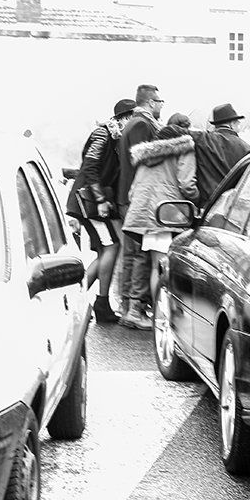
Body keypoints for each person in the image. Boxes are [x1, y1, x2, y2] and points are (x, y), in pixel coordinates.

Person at [123, 113, 198, 322]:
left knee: (151, 262)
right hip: (167, 214)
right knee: (163, 266)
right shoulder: (185, 149)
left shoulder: (146, 154)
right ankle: (160, 316)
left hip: (144, 211)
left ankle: (137, 309)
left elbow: (133, 190)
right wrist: (198, 202)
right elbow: (187, 184)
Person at [65, 98, 135, 324]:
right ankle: (101, 302)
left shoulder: (114, 136)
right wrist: (102, 199)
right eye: (132, 117)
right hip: (90, 202)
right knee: (111, 247)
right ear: (124, 117)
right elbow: (90, 167)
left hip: (91, 201)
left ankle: (76, 297)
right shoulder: (102, 134)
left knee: (106, 250)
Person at [116, 84, 163, 330]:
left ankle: (128, 305)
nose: (161, 106)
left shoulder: (133, 124)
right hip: (137, 197)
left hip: (128, 195)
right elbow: (143, 160)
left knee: (131, 253)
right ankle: (134, 309)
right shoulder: (143, 125)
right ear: (151, 102)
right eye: (160, 101)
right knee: (140, 255)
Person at [192, 103, 250, 200]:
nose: (239, 124)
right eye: (237, 121)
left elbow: (174, 130)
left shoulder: (203, 139)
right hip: (230, 207)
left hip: (207, 206)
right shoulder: (247, 149)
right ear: (231, 123)